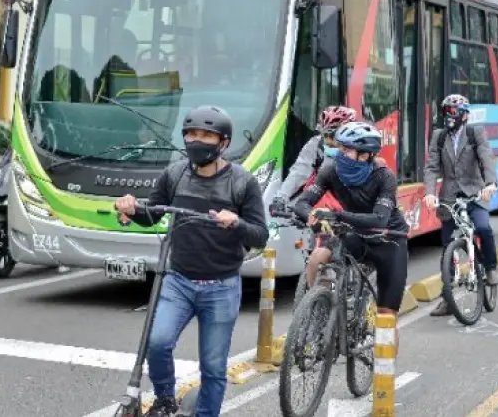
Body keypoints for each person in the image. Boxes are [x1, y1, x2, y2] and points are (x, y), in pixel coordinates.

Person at [114, 105, 268, 417]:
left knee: (212, 367)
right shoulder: (174, 175)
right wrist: (130, 209)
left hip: (222, 287)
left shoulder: (242, 182)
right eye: (192, 134)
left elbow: (260, 235)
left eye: (207, 136)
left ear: (223, 142)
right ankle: (165, 401)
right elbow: (151, 213)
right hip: (178, 281)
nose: (197, 141)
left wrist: (236, 223)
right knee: (157, 344)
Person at [292, 122, 410, 327]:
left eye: (346, 150)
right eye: (340, 148)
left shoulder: (384, 176)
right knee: (317, 258)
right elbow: (302, 202)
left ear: (365, 155)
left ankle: (385, 359)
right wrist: (310, 214)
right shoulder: (330, 171)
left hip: (390, 241)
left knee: (386, 319)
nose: (339, 154)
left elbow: (379, 219)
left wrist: (338, 215)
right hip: (355, 234)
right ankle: (319, 312)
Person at [422, 94, 498, 316]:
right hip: (449, 197)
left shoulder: (476, 133)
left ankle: (491, 268)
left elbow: (487, 159)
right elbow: (431, 168)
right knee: (447, 245)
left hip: (475, 193)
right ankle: (448, 298)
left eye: (453, 112)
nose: (449, 117)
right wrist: (429, 194)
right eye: (446, 112)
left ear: (464, 115)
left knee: (483, 228)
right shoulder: (438, 136)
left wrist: (490, 183)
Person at [277, 105, 358, 202]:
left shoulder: (360, 149)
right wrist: (281, 197)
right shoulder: (316, 144)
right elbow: (299, 171)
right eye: (325, 133)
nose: (327, 139)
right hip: (317, 200)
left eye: (332, 134)